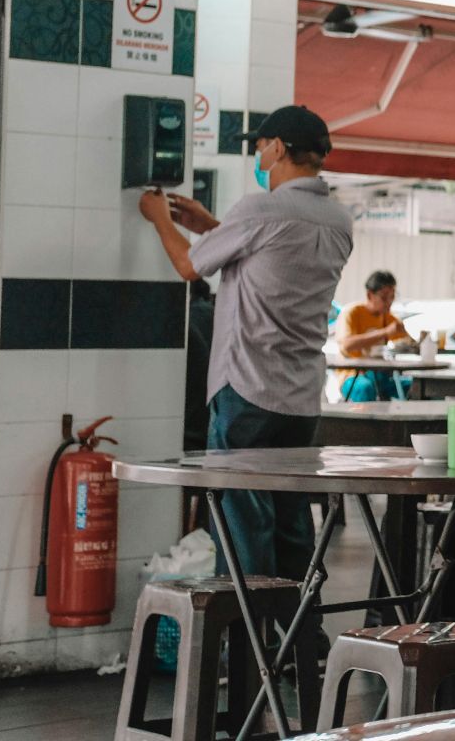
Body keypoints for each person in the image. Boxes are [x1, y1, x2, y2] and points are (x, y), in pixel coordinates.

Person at [137, 106, 354, 591]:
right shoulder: (338, 220)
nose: (259, 155)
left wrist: (159, 220)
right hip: (300, 397)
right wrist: (211, 223)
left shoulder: (262, 207)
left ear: (278, 147)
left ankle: (247, 643)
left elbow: (191, 267)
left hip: (247, 387)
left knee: (241, 522)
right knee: (291, 518)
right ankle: (297, 635)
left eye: (260, 146)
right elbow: (268, 260)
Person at [337, 270, 411, 401]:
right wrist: (385, 332)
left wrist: (419, 342)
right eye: (384, 297)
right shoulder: (352, 313)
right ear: (369, 295)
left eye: (392, 297)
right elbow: (347, 344)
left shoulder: (389, 318)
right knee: (366, 388)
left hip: (380, 375)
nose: (389, 302)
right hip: (353, 375)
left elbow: (410, 343)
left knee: (415, 386)